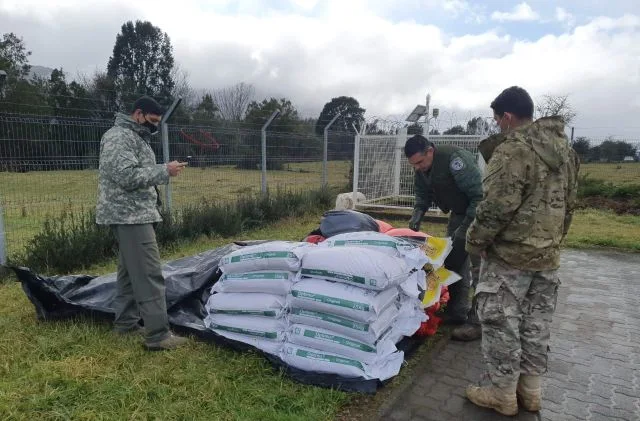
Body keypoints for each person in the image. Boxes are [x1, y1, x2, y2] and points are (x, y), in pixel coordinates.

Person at [465, 86, 580, 416]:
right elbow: (569, 206)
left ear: (507, 117)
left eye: (497, 120)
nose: (497, 126)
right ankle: (530, 393)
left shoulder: (514, 149)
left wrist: (476, 243)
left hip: (509, 257)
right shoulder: (566, 152)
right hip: (547, 257)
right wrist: (554, 242)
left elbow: (495, 208)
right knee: (535, 325)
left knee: (502, 323)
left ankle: (502, 394)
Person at [96, 95, 189, 351]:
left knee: (128, 273)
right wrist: (164, 171)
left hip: (137, 212)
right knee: (149, 274)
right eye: (152, 120)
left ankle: (125, 324)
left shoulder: (136, 137)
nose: (154, 126)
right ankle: (158, 335)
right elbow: (125, 176)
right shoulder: (118, 137)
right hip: (129, 215)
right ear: (138, 114)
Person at [405, 135, 483, 341]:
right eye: (414, 165)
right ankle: (457, 311)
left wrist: (466, 228)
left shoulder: (455, 160)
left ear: (430, 151)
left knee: (480, 268)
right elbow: (422, 195)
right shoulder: (421, 169)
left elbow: (480, 197)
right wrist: (417, 215)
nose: (418, 168)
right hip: (459, 214)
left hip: (480, 215)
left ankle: (478, 322)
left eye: (420, 162)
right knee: (453, 262)